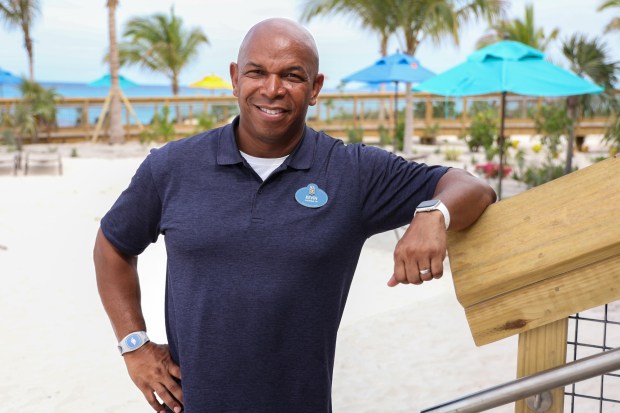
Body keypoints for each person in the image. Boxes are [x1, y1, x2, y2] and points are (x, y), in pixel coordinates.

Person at [94, 17, 496, 413]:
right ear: (235, 78)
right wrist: (135, 346)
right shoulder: (172, 167)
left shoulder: (351, 172)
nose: (272, 89)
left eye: (292, 75)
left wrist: (433, 213)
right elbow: (113, 244)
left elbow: (473, 188)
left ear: (315, 87)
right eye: (257, 72)